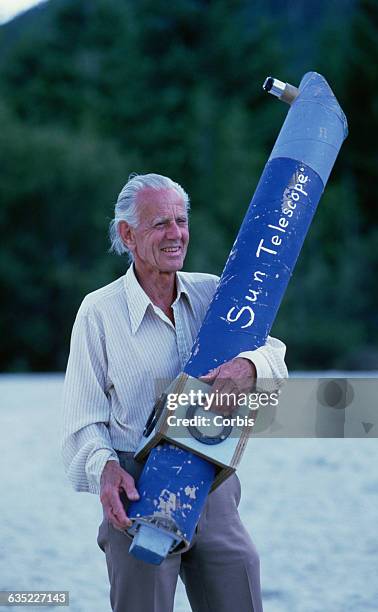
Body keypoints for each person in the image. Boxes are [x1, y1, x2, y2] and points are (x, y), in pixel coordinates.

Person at [62, 173, 288, 612]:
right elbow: (83, 421)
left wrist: (250, 366)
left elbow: (276, 356)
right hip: (137, 491)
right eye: (160, 223)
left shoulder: (213, 292)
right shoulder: (98, 312)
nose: (176, 235)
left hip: (214, 481)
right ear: (127, 234)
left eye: (181, 221)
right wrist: (104, 467)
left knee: (242, 582)